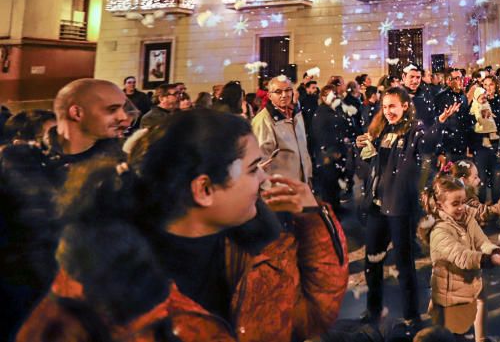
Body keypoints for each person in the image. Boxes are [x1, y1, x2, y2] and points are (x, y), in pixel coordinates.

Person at [17, 108, 349, 341]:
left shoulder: (256, 253)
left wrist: (311, 218)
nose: (264, 177)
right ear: (204, 189)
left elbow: (313, 316)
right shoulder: (93, 298)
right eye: (252, 169)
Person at [0, 79, 129, 338]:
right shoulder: (15, 162)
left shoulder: (123, 170)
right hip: (19, 308)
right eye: (112, 109)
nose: (124, 118)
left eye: (125, 109)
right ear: (76, 112)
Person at [356, 86, 440, 326]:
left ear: (405, 106)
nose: (388, 111)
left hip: (399, 207)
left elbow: (428, 143)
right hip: (376, 205)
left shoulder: (415, 130)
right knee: (372, 260)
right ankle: (373, 309)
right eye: (384, 106)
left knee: (404, 264)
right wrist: (362, 151)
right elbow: (367, 165)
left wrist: (440, 124)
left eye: (392, 106)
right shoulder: (379, 129)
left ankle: (411, 315)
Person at [422, 175, 500, 342]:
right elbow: (462, 257)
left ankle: (480, 338)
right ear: (440, 205)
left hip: (468, 283)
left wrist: (495, 252)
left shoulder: (466, 217)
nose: (461, 208)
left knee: (480, 303)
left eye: (463, 202)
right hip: (450, 295)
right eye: (455, 204)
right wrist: (491, 260)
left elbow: (481, 241)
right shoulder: (439, 231)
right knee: (454, 333)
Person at [252, 75, 313, 185]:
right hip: (279, 189)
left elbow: (302, 149)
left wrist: (308, 176)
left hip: (300, 184)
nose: (284, 95)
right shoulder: (263, 120)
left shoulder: (296, 114)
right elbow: (260, 161)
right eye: (278, 92)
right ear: (269, 95)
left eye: (288, 90)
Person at [446, 160, 500, 226]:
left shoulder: (449, 193)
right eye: (475, 177)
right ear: (464, 180)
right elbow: (491, 213)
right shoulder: (467, 201)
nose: (479, 180)